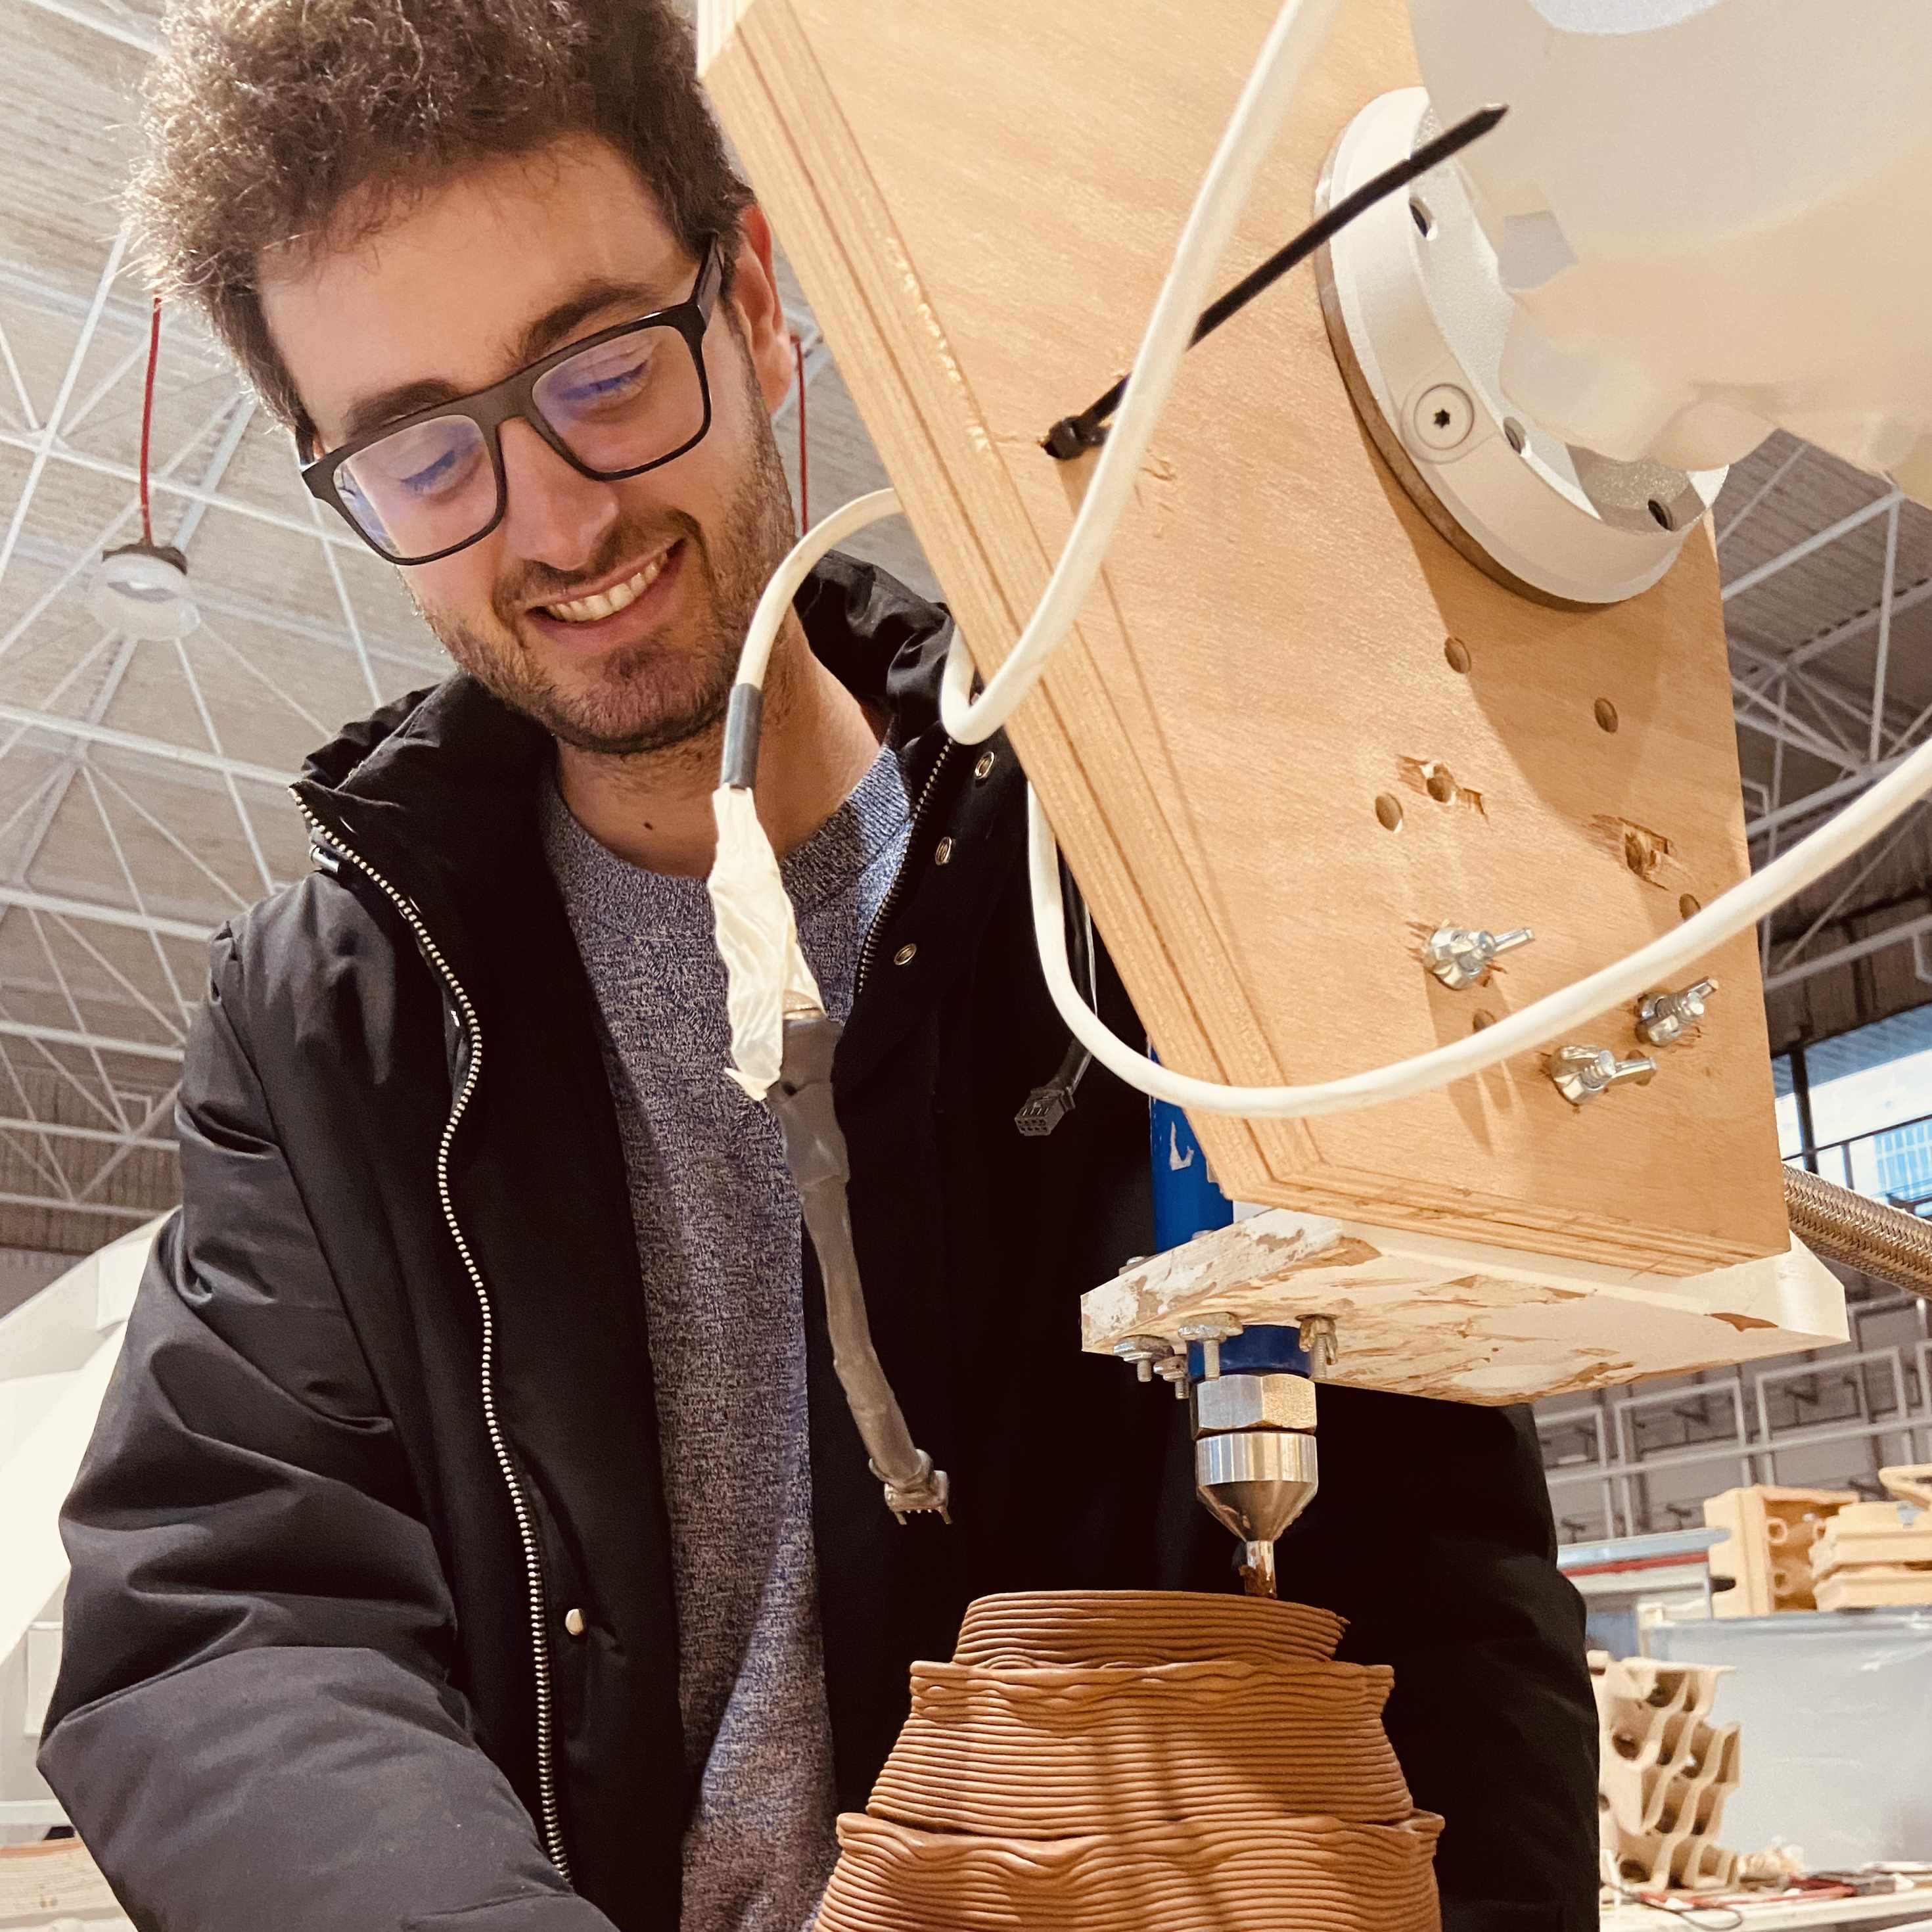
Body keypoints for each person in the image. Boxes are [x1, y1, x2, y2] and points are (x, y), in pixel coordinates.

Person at [39, 4, 1598, 1929]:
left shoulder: (1134, 876)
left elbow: (1447, 1594)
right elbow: (231, 1620)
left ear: (755, 302)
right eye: (424, 456)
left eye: (603, 369)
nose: (559, 517)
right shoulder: (323, 1027)